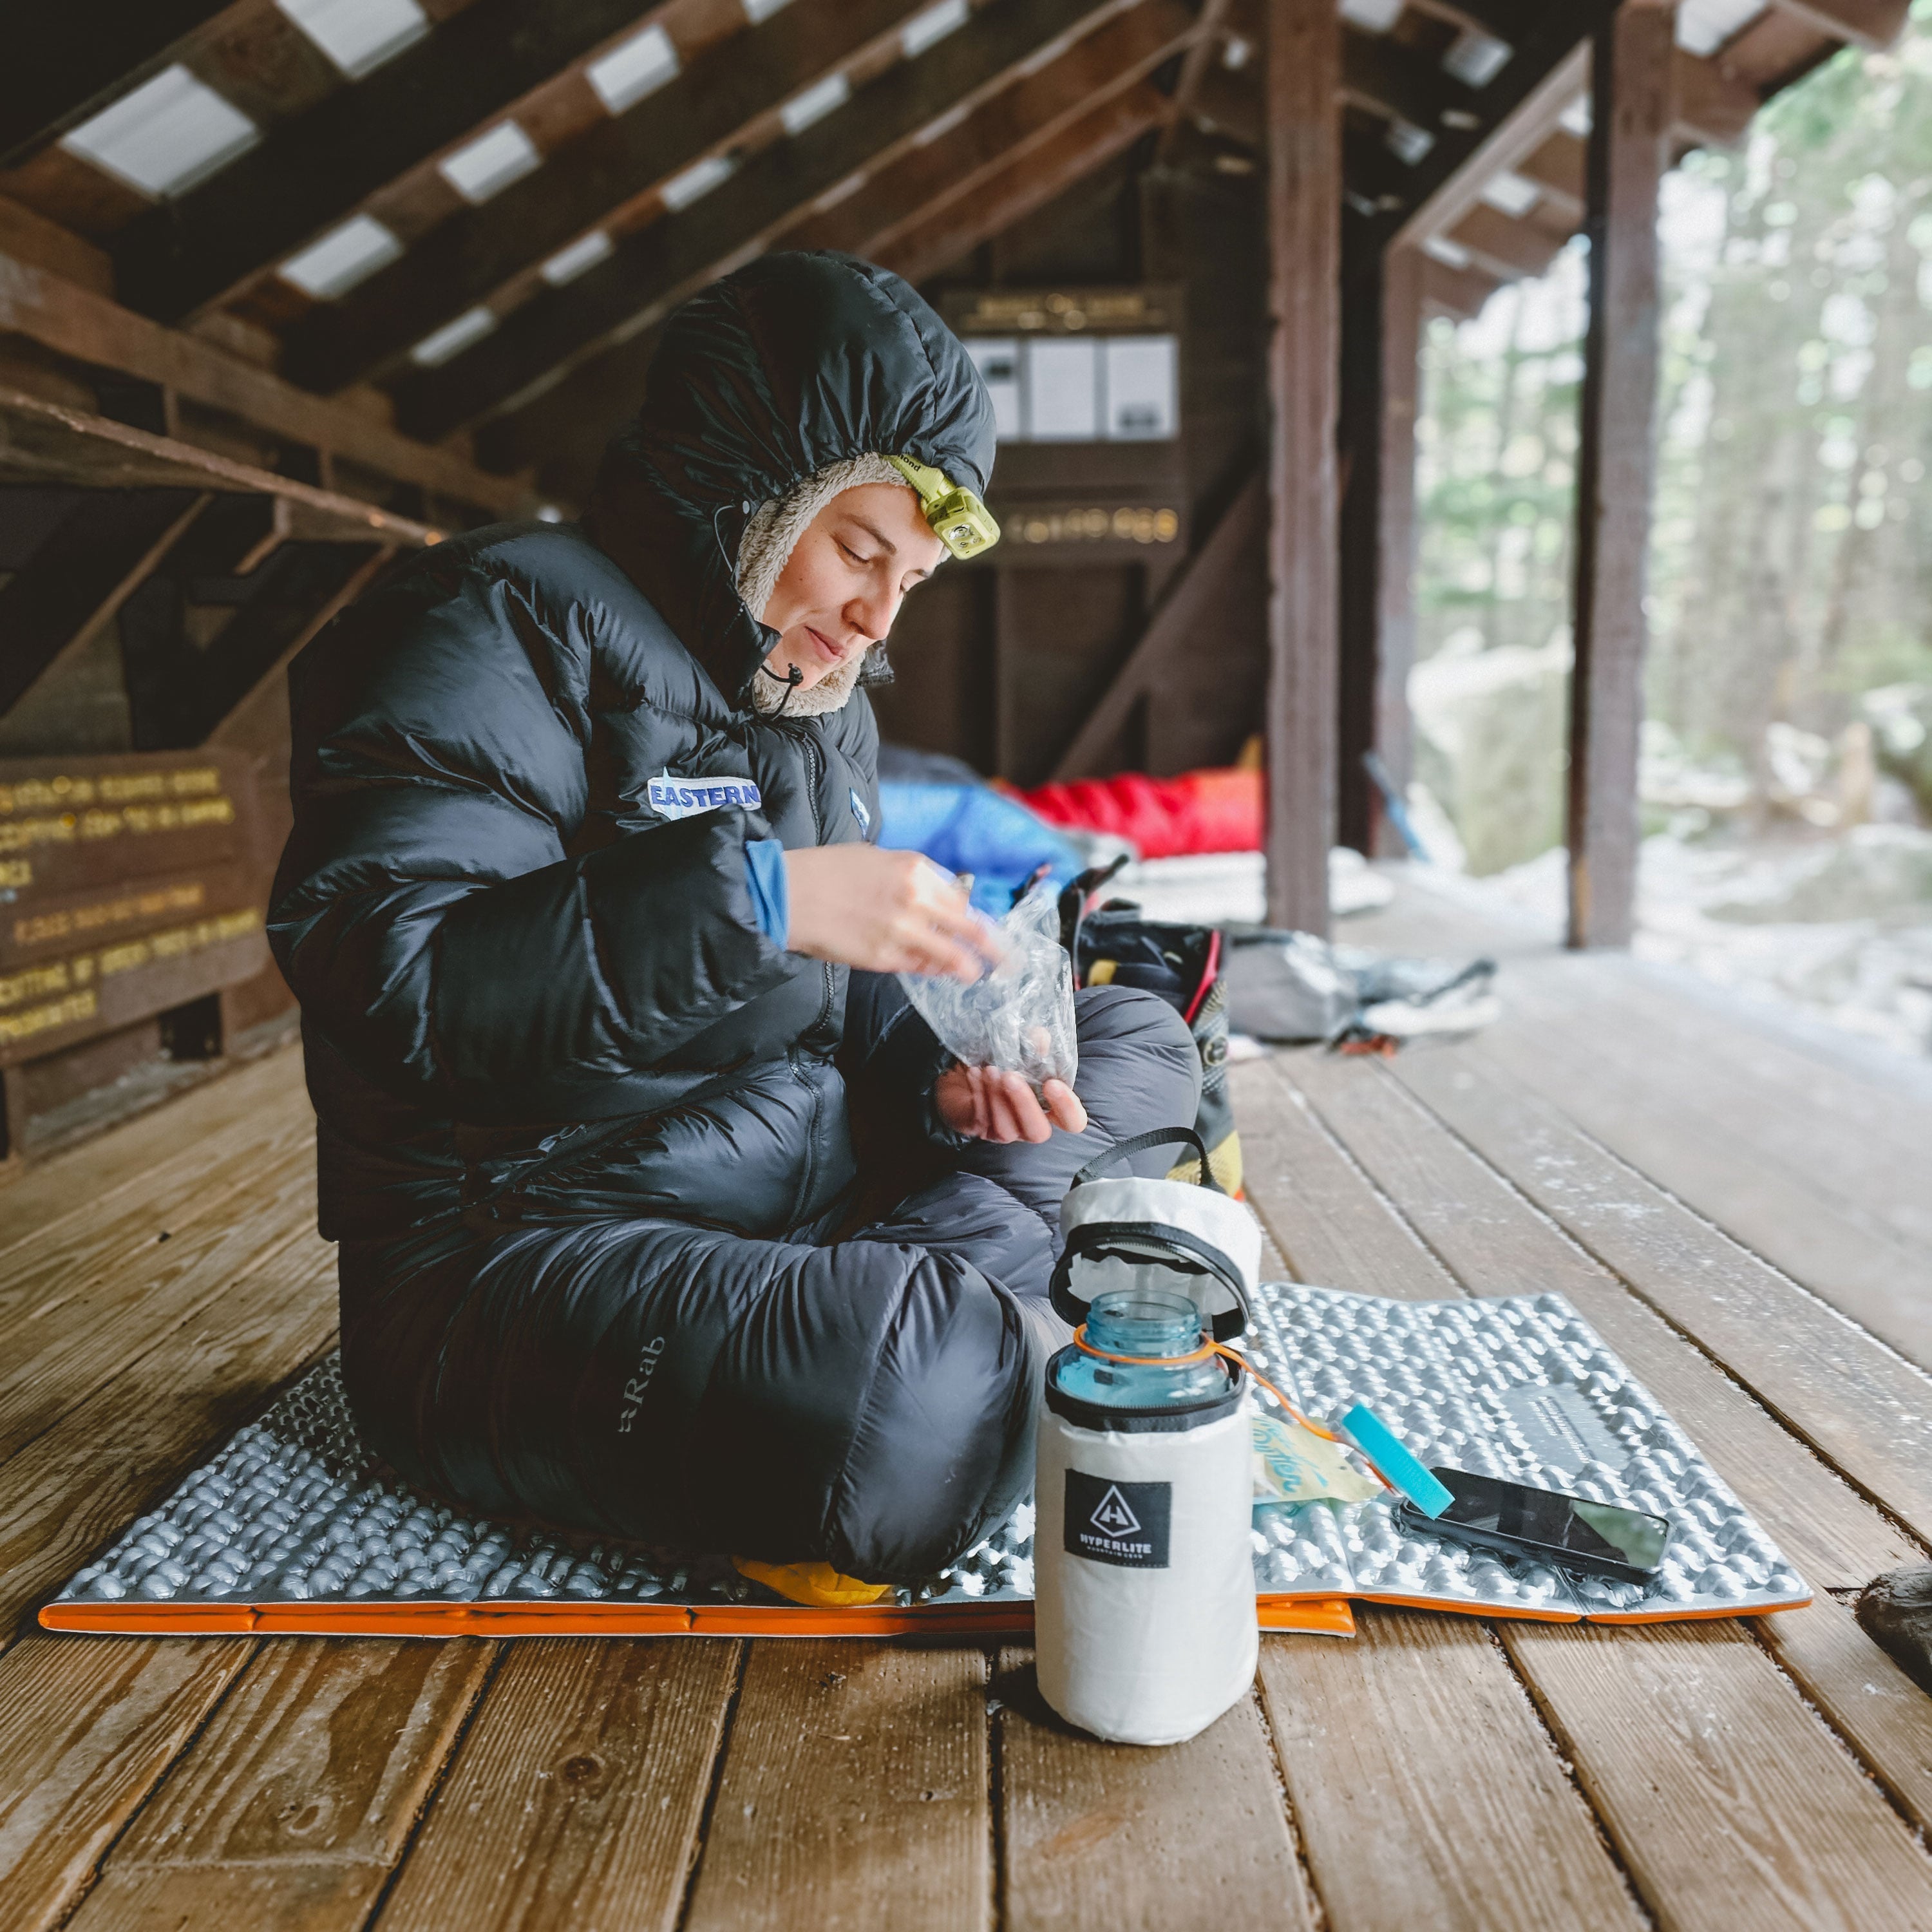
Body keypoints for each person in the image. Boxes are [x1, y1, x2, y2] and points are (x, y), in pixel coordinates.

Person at [269, 251, 1198, 1589]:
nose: (878, 617)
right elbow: (396, 980)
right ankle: (1015, 1288)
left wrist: (945, 1088)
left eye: (914, 578)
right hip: (516, 1261)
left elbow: (825, 1014)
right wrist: (760, 900)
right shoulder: (492, 618)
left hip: (788, 1207)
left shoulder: (819, 705)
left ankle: (982, 1288)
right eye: (859, 551)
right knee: (906, 1400)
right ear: (746, 490)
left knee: (1135, 1043)